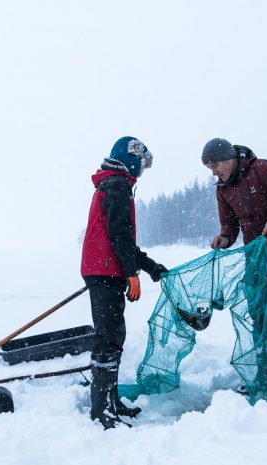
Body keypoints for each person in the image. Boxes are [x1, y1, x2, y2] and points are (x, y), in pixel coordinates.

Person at [81, 136, 167, 429]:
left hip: (105, 269)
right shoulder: (117, 184)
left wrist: (150, 267)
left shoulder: (114, 183)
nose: (142, 171)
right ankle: (101, 409)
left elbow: (123, 240)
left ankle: (111, 401)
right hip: (105, 271)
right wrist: (132, 273)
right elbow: (119, 236)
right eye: (141, 164)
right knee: (108, 339)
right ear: (131, 159)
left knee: (114, 337)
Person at [202, 138, 267, 342]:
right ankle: (265, 368)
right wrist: (224, 238)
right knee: (258, 312)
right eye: (209, 168)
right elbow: (229, 225)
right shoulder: (222, 189)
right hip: (255, 255)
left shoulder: (263, 169)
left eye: (215, 165)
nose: (213, 172)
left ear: (229, 158)